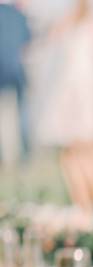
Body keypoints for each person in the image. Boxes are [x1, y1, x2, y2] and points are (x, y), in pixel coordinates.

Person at [33, 0, 93, 210]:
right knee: (90, 148)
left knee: (77, 151)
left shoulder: (79, 16)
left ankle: (90, 205)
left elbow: (45, 40)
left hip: (75, 89)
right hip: (87, 87)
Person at [0, 0, 30, 168]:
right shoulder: (19, 15)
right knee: (22, 114)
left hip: (2, 69)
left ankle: (3, 157)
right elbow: (27, 42)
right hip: (16, 70)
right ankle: (25, 155)